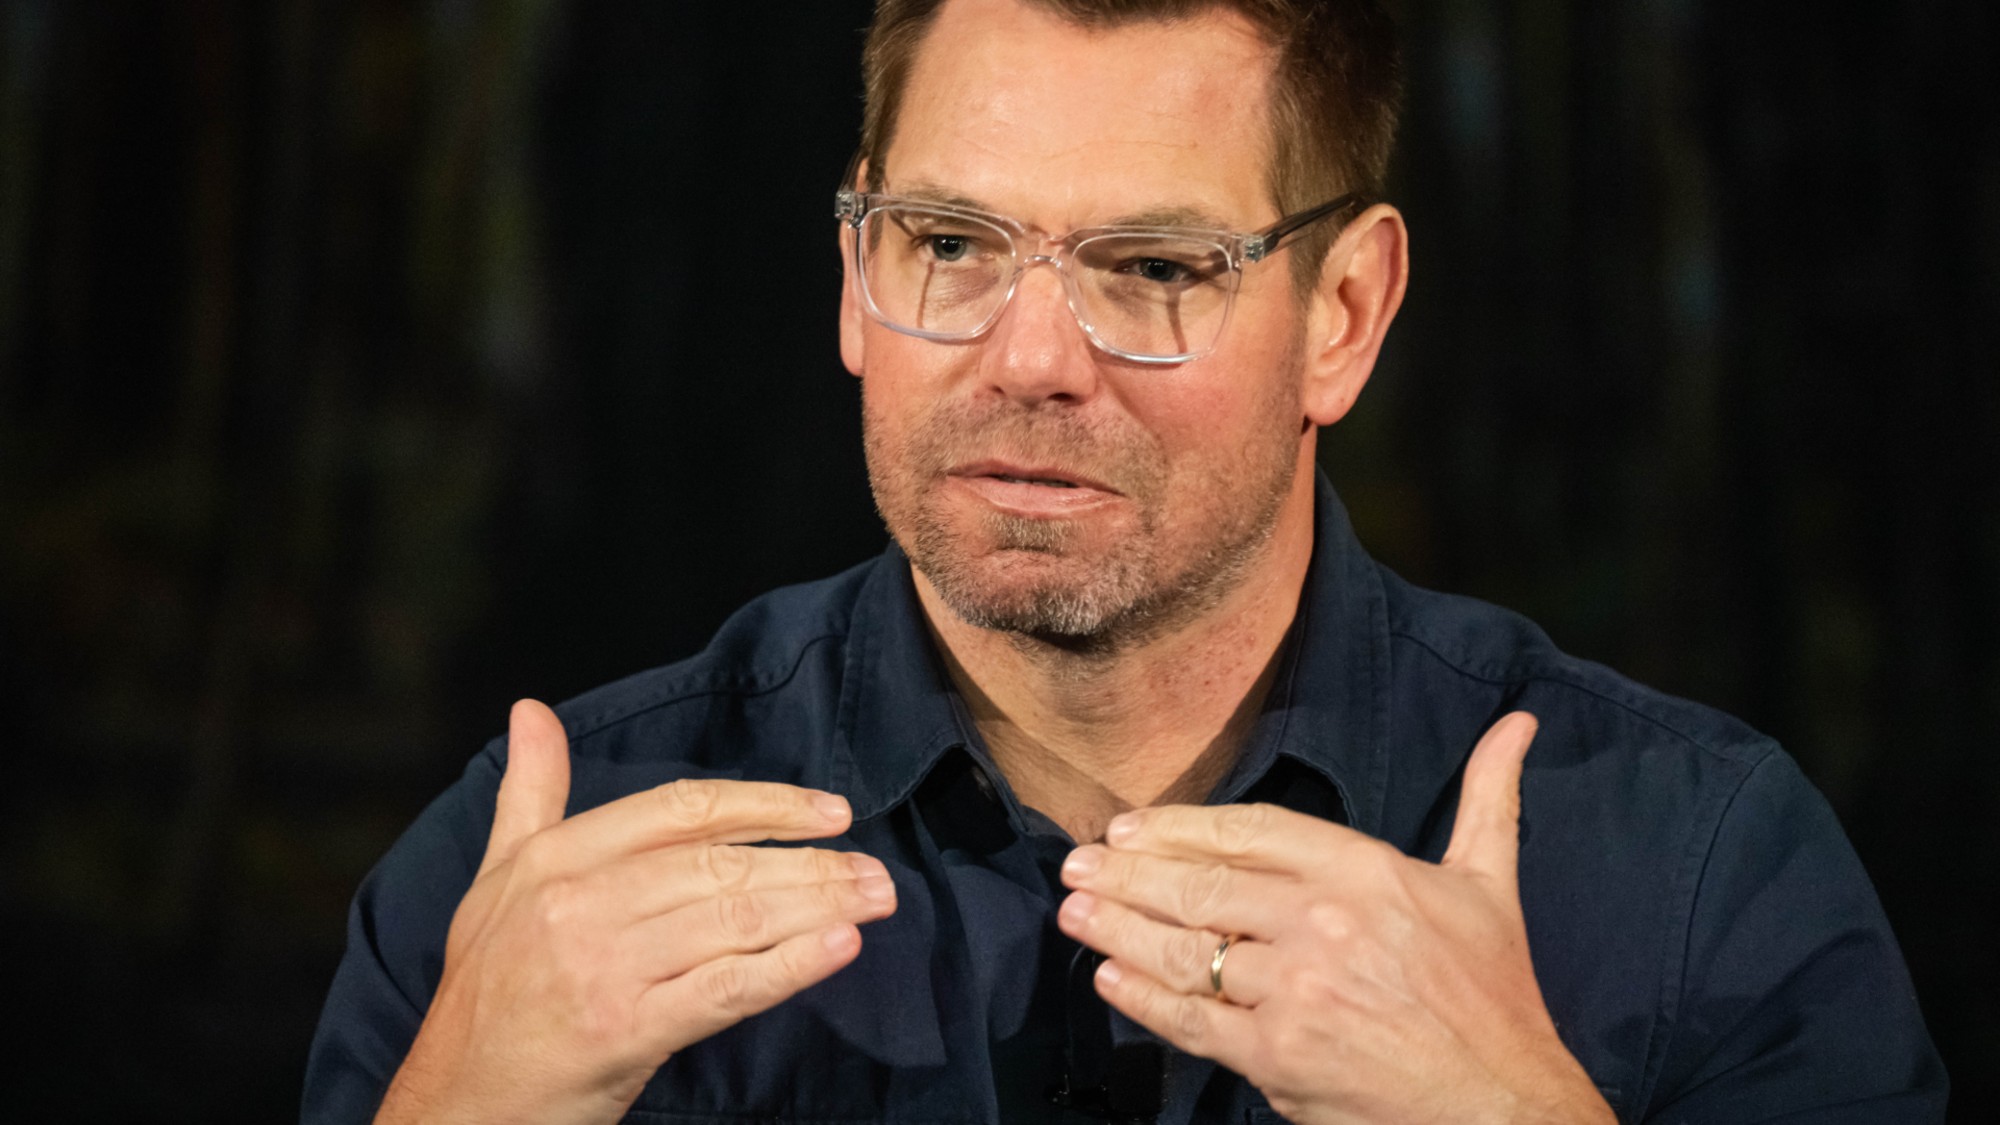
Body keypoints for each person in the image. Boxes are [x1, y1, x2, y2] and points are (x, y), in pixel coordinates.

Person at [303, 0, 1946, 1121]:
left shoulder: (1701, 879)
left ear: (1347, 318)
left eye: (1153, 266)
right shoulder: (527, 886)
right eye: (947, 245)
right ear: (852, 267)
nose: (1030, 358)